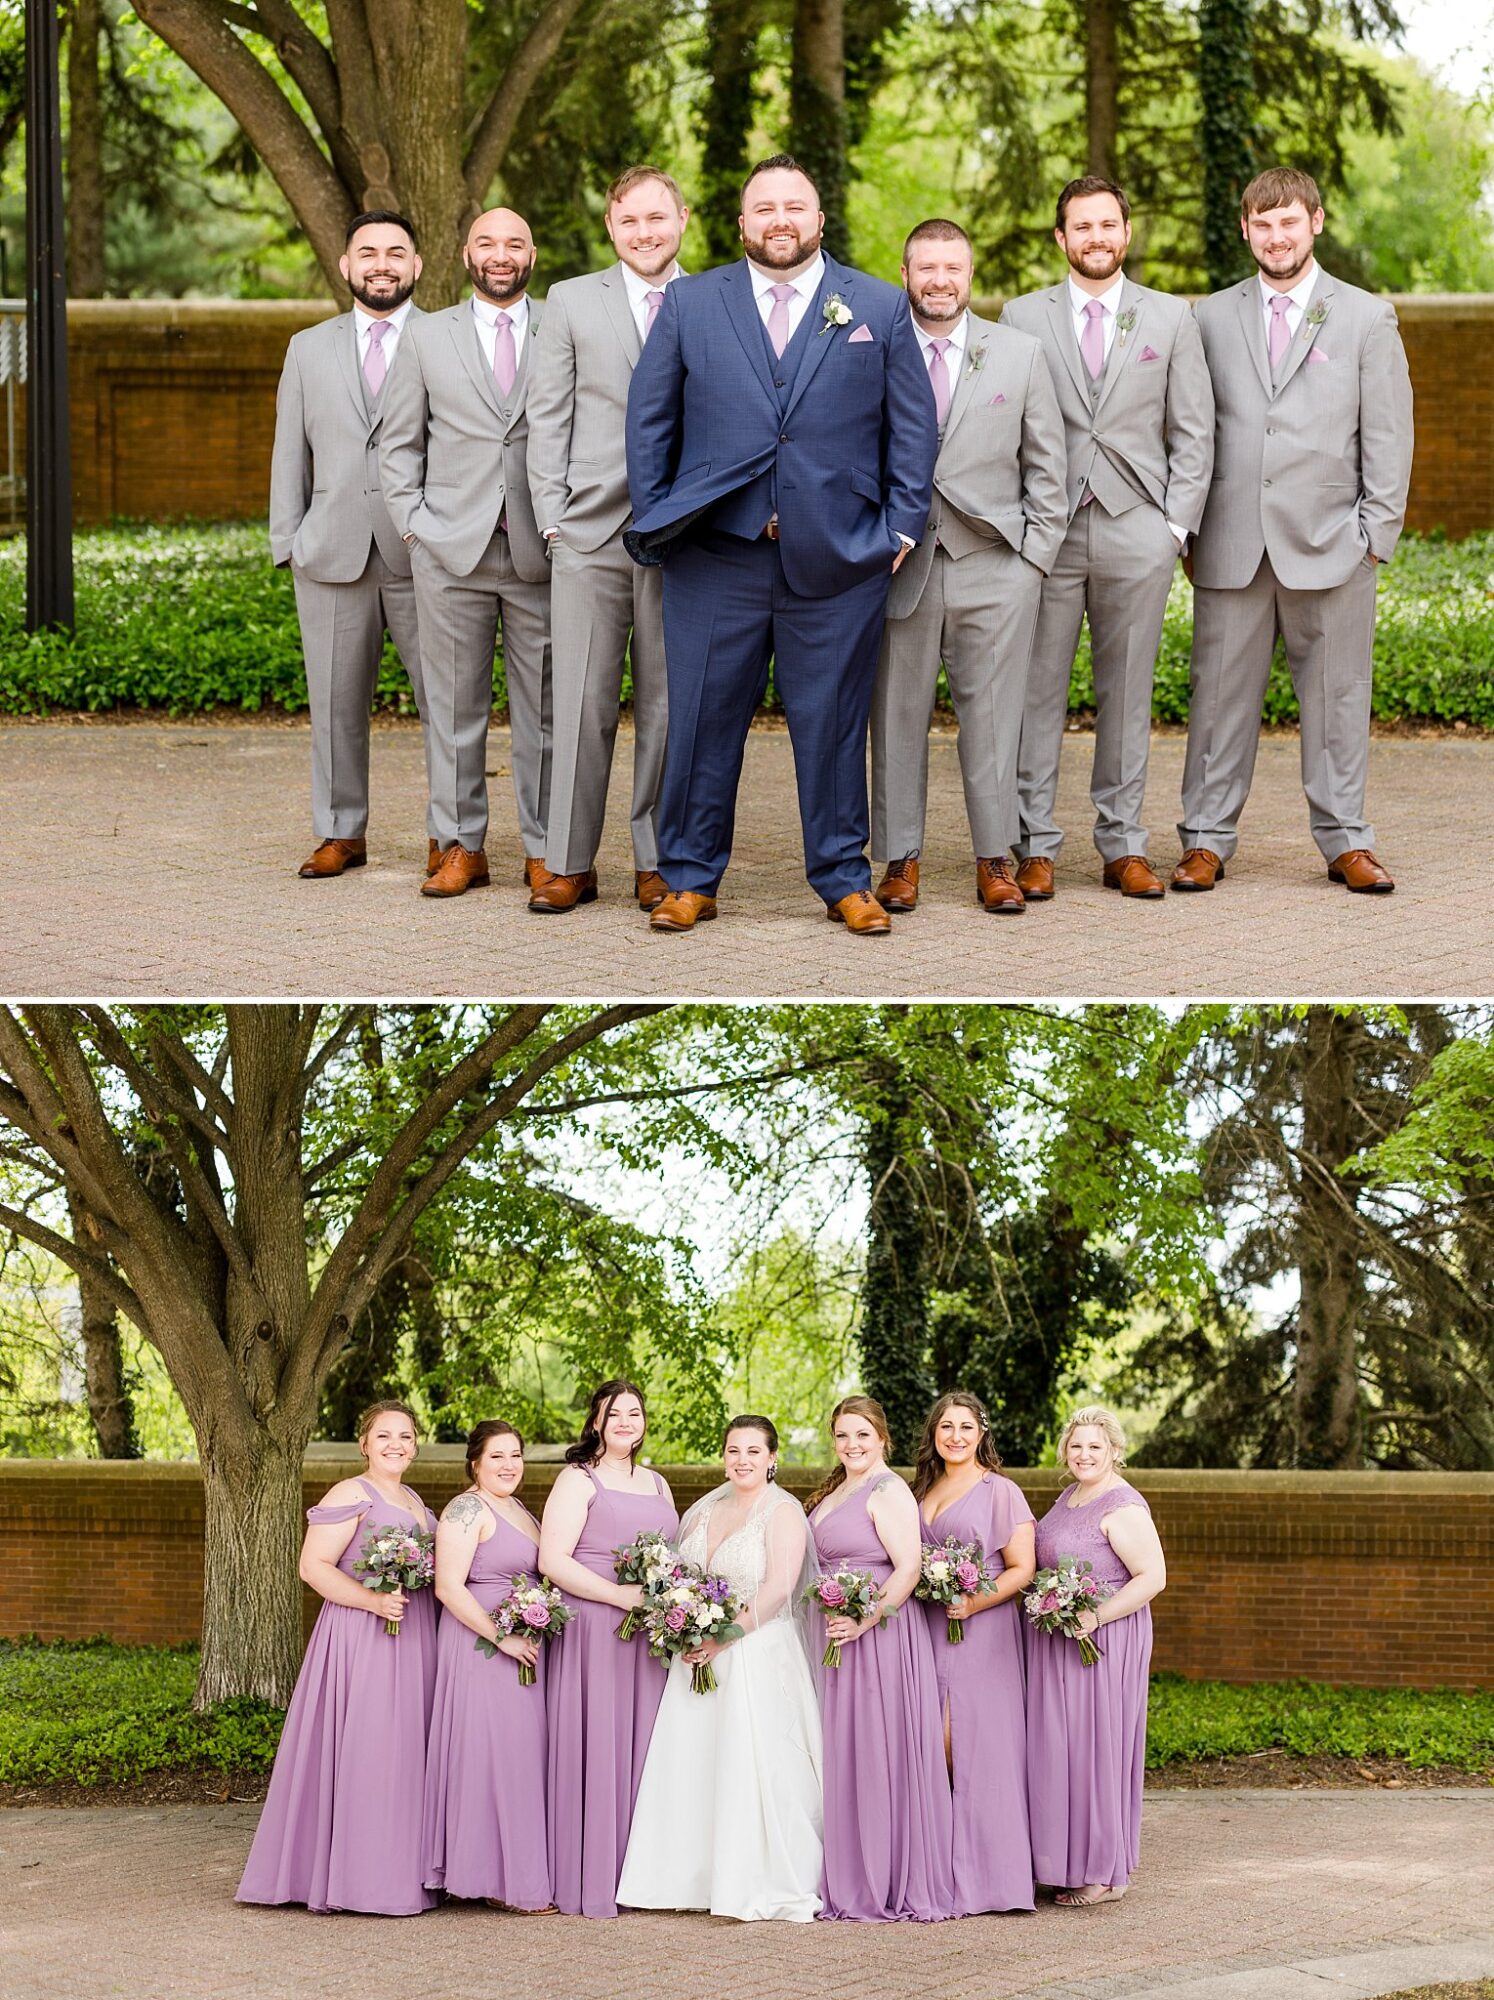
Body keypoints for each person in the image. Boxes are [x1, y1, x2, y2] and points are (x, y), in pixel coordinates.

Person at [625, 153, 939, 937]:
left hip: (837, 559)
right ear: (741, 224)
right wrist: (663, 515)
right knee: (701, 719)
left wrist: (898, 528)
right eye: (763, 207)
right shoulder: (693, 302)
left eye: (794, 206)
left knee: (832, 722)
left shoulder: (877, 305)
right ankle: (691, 877)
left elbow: (912, 428)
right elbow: (650, 421)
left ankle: (842, 876)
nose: (779, 220)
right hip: (714, 556)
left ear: (819, 218)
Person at [1176, 166, 1413, 895]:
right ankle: (1205, 841)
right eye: (1262, 223)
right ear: (1245, 228)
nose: (1276, 237)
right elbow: (1186, 426)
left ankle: (1346, 840)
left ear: (1315, 222)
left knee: (1340, 698)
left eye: (1289, 222)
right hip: (1230, 543)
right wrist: (1185, 529)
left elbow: (1391, 433)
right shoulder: (1207, 318)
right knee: (1217, 702)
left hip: (1335, 544)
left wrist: (1376, 532)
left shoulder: (1366, 318)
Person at [1002, 177, 1214, 900]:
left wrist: (1173, 529)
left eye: (1107, 225)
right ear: (1061, 239)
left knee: (1127, 692)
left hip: (1138, 529)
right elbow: (1007, 430)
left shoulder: (1170, 318)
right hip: (1048, 532)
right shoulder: (1021, 317)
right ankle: (1033, 844)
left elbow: (1193, 430)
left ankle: (1122, 844)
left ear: (1127, 232)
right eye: (1080, 227)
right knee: (1036, 693)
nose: (1095, 238)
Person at [871, 218, 1068, 916]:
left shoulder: (1018, 353)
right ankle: (898, 860)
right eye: (926, 266)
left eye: (952, 267)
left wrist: (1033, 563)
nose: (939, 279)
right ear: (905, 274)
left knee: (994, 720)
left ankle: (995, 858)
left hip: (996, 566)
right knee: (896, 716)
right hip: (902, 568)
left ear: (971, 273)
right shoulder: (875, 351)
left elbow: (1049, 466)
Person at [524, 166, 688, 915]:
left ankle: (656, 860)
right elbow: (546, 416)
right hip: (587, 533)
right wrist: (553, 517)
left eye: (657, 219)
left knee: (665, 705)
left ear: (681, 219)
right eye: (630, 222)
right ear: (611, 227)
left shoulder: (712, 299)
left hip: (684, 538)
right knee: (581, 702)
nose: (645, 233)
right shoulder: (568, 301)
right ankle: (567, 861)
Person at [380, 207, 552, 899]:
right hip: (450, 551)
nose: (501, 254)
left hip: (541, 549)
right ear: (464, 254)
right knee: (452, 710)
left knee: (544, 711)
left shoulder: (559, 328)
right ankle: (459, 845)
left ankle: (548, 850)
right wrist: (414, 526)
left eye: (514, 242)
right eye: (488, 243)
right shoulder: (425, 338)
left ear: (533, 253)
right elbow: (398, 443)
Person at [269, 212, 429, 882]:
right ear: (346, 265)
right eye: (369, 253)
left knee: (447, 707)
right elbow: (289, 451)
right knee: (335, 706)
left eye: (396, 253)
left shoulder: (445, 339)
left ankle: (451, 837)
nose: (382, 264)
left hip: (425, 556)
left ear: (417, 266)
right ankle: (340, 832)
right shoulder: (307, 349)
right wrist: (289, 539)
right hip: (330, 553)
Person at [236, 1401, 438, 1915]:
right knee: (370, 1750)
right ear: (364, 1443)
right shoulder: (350, 1492)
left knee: (405, 1754)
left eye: (406, 1436)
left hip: (414, 1637)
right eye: (385, 1435)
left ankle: (399, 1873)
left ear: (417, 1445)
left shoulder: (414, 1500)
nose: (396, 1444)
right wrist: (372, 1600)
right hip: (362, 1638)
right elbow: (313, 1566)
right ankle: (355, 1880)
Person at [618, 1414, 823, 1921]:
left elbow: (778, 1589)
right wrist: (683, 1625)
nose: (742, 1460)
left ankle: (753, 1877)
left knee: (752, 1763)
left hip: (753, 1653)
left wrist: (721, 1638)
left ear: (773, 1458)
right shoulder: (703, 1511)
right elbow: (677, 1578)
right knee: (694, 1761)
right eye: (734, 1450)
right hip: (693, 1657)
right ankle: (687, 1877)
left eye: (754, 1451)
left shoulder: (782, 1513)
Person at [806, 1396, 955, 1921]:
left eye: (862, 1436)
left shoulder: (888, 1490)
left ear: (883, 1439)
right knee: (843, 1749)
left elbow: (908, 1569)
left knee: (876, 1749)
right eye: (843, 1436)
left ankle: (885, 1876)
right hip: (840, 1633)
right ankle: (848, 1868)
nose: (852, 1445)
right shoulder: (837, 1489)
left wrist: (863, 1619)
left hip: (880, 1636)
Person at [539, 1380, 678, 1918]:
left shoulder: (660, 1483)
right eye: (614, 1413)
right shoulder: (578, 1479)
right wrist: (620, 1596)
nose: (625, 1421)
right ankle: (590, 1873)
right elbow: (554, 1560)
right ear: (596, 1421)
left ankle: (640, 1874)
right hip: (595, 1626)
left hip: (647, 1633)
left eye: (635, 1413)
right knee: (597, 1742)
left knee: (646, 1744)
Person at [1025, 1405, 1166, 1907]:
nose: (1084, 1454)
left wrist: (1097, 1616)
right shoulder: (1069, 1496)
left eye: (1095, 1447)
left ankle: (1107, 1874)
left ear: (1114, 1452)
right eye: (1077, 1446)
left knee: (1097, 1748)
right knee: (1063, 1748)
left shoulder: (1123, 1506)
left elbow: (1153, 1578)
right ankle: (1066, 1860)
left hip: (1104, 1640)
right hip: (1060, 1636)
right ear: (1066, 1450)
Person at [912, 1392, 1037, 1914]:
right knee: (927, 1741)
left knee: (973, 1745)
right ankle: (939, 1871)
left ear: (982, 1433)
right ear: (933, 1435)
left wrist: (974, 1601)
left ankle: (988, 1880)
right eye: (946, 1427)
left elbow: (1021, 1568)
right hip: (926, 1628)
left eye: (966, 1427)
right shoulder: (920, 1488)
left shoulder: (1001, 1492)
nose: (955, 1436)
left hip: (981, 1632)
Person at [422, 1419, 554, 1911]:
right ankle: (497, 1881)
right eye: (497, 1456)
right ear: (475, 1462)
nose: (508, 1465)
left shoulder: (519, 1509)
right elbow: (448, 1587)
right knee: (493, 1755)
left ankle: (505, 1871)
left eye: (516, 1455)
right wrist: (502, 1637)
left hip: (521, 1643)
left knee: (518, 1755)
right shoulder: (464, 1508)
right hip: (481, 1644)